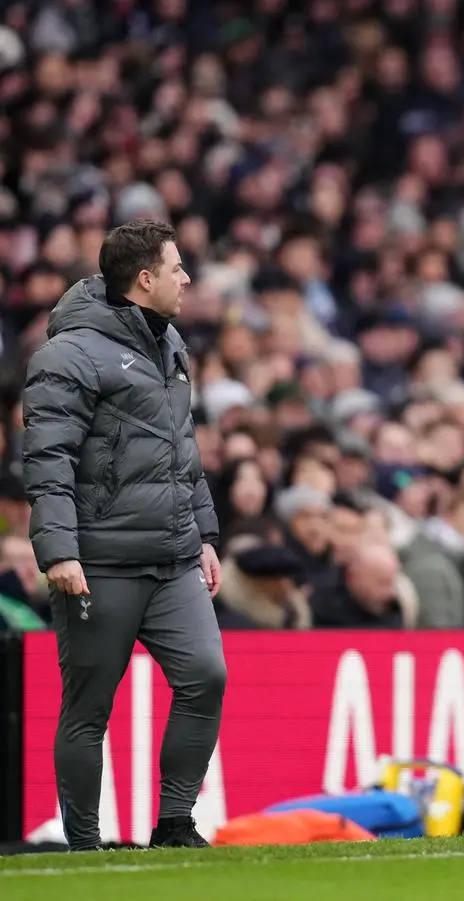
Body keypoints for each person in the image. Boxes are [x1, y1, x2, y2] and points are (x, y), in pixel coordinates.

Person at [22, 219, 226, 850]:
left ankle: (174, 823)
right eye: (176, 269)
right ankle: (84, 847)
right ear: (145, 279)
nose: (186, 278)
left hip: (171, 559)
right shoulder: (68, 355)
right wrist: (58, 551)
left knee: (207, 676)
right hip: (101, 561)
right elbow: (46, 461)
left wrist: (205, 533)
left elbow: (180, 450)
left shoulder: (169, 346)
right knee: (89, 710)